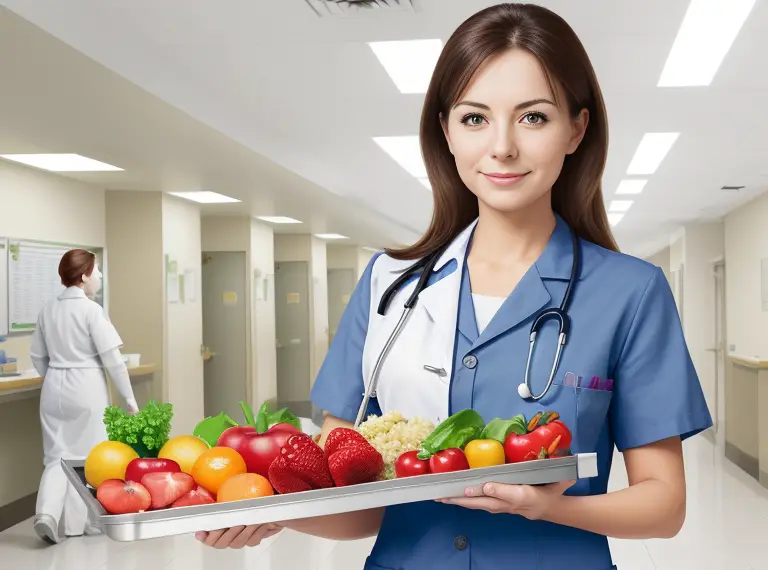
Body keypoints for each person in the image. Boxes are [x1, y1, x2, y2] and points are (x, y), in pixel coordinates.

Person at [195, 4, 712, 568]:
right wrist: (271, 512)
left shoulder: (630, 294)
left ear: (576, 129)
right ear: (445, 131)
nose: (503, 146)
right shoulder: (389, 287)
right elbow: (359, 504)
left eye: (533, 117)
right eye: (474, 118)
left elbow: (664, 505)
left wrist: (541, 508)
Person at [31, 249, 139, 545]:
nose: (100, 276)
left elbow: (37, 357)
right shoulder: (91, 310)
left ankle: (48, 515)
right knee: (90, 457)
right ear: (83, 277)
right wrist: (129, 399)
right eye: (97, 271)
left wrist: (55, 377)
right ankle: (83, 525)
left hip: (54, 385)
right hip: (86, 384)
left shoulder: (48, 308)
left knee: (56, 457)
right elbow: (113, 361)